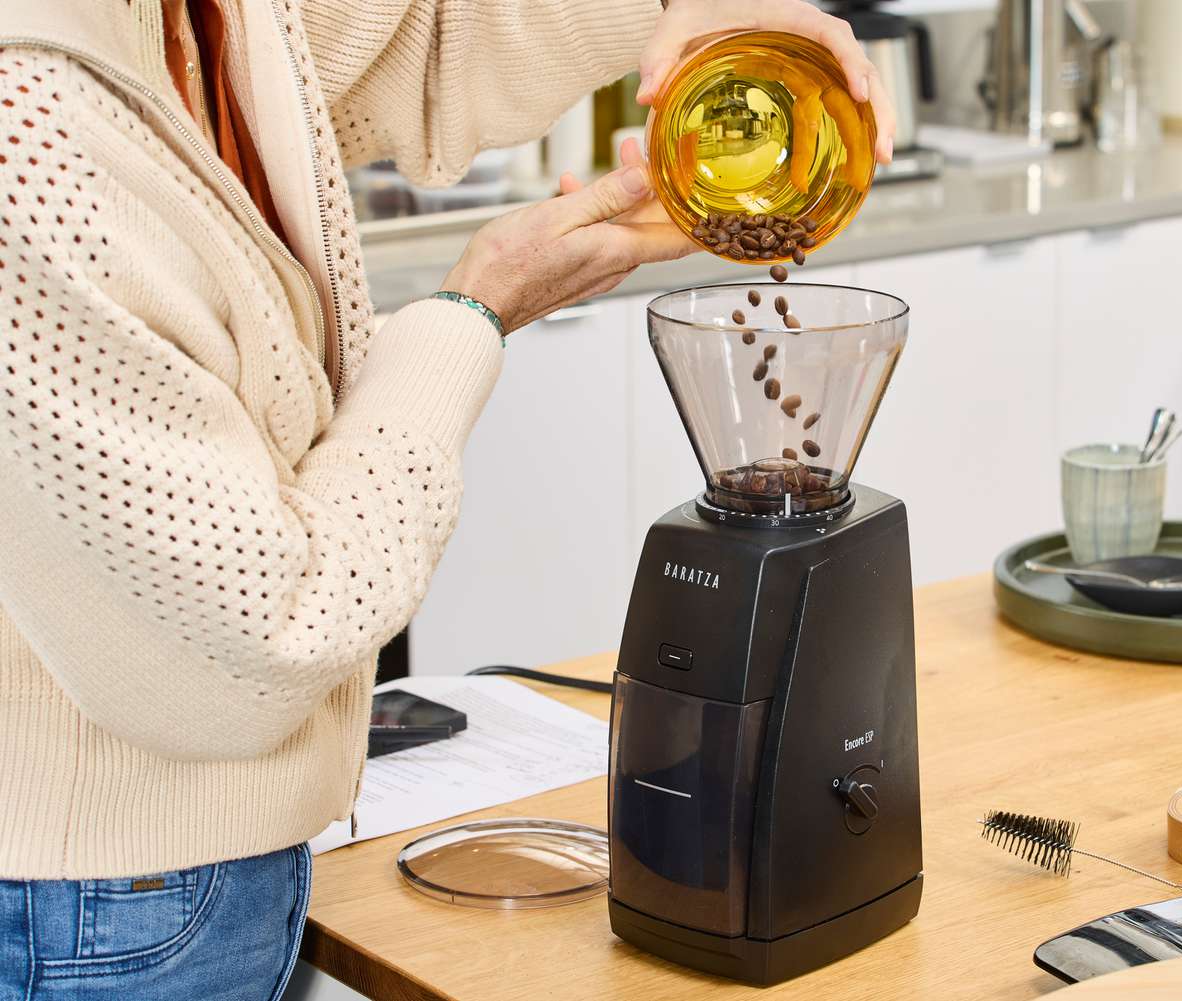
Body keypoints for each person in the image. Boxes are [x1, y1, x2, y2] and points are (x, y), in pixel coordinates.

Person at [0, 0, 895, 997]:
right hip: (89, 908)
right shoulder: (24, 132)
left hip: (222, 867)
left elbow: (409, 42)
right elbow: (256, 645)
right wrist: (475, 308)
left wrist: (675, 11)